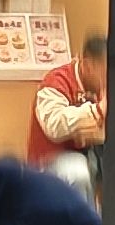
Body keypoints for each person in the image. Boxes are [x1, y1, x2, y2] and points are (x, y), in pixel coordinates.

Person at [33, 31, 108, 186]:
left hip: (88, 157)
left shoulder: (102, 88)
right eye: (105, 72)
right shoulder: (56, 82)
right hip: (48, 164)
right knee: (77, 171)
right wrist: (97, 111)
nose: (108, 79)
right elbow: (53, 125)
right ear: (88, 65)